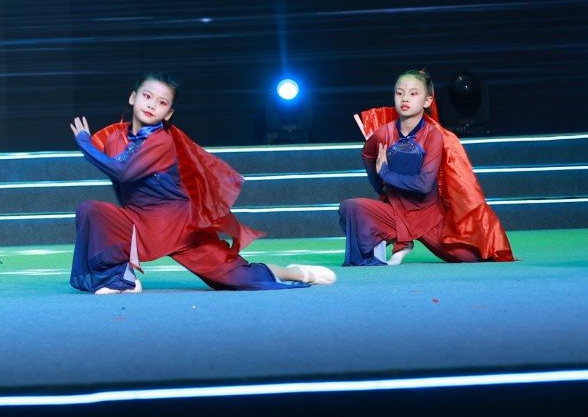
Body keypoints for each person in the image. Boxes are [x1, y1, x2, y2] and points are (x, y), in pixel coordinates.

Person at [69, 72, 335, 293]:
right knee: (92, 210)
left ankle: (295, 272)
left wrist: (84, 142)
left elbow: (123, 172)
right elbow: (119, 179)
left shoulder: (161, 141)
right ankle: (119, 279)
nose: (151, 105)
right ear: (132, 97)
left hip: (180, 228)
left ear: (169, 113)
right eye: (147, 96)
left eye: (162, 102)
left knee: (237, 278)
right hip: (141, 223)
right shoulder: (115, 137)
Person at [339, 70, 515, 266]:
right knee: (349, 207)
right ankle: (401, 240)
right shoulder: (383, 133)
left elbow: (423, 185)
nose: (405, 98)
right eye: (399, 93)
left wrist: (386, 174)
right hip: (395, 213)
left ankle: (403, 239)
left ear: (427, 100)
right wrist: (379, 186)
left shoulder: (433, 136)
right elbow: (367, 154)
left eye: (413, 93)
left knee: (473, 257)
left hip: (428, 218)